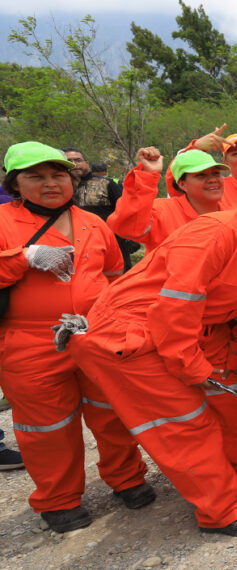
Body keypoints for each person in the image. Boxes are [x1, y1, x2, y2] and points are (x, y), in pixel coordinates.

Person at [68, 164, 237, 537]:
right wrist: (192, 367)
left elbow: (235, 307)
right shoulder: (215, 232)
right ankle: (222, 512)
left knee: (225, 410)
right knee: (187, 423)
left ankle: (223, 485)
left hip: (186, 333)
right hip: (130, 332)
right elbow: (176, 307)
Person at [1, 141, 152, 533]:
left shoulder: (92, 222)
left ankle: (127, 478)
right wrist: (25, 258)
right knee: (46, 427)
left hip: (94, 334)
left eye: (58, 175)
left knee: (112, 412)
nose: (51, 183)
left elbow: (117, 277)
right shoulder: (2, 222)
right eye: (36, 176)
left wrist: (115, 321)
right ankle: (58, 499)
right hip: (31, 341)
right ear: (16, 184)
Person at [109, 149, 230, 253]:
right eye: (201, 175)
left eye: (216, 173)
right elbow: (127, 227)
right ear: (182, 184)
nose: (213, 180)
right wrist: (147, 175)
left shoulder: (233, 212)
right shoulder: (163, 211)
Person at [62, 147, 135, 268]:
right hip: (73, 244)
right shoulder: (57, 188)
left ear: (87, 163)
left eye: (78, 160)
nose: (74, 164)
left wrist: (130, 239)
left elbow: (126, 211)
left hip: (111, 242)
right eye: (69, 160)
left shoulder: (107, 184)